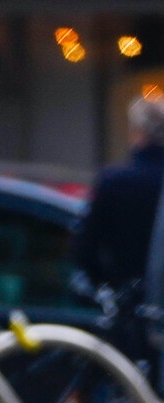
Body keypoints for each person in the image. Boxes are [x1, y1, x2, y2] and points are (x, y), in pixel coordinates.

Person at [74, 93, 164, 367]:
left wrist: (108, 284)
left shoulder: (114, 182)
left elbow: (83, 250)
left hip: (125, 311)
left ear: (136, 132)